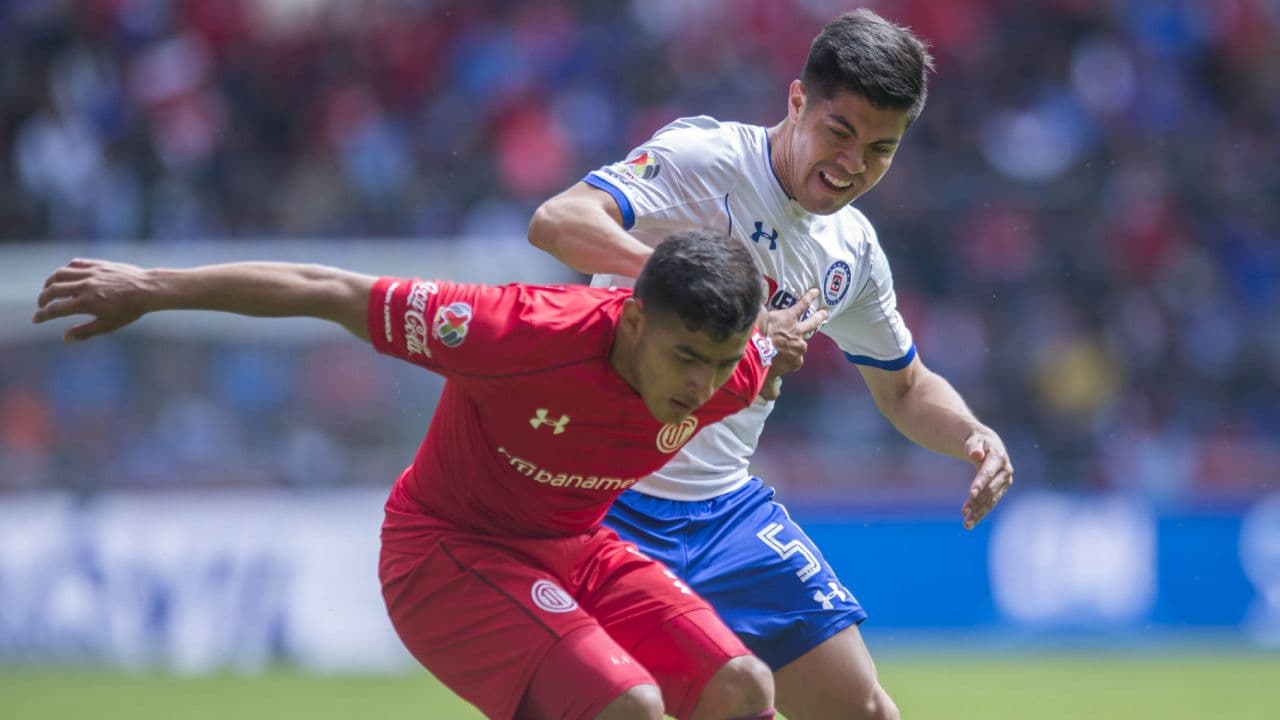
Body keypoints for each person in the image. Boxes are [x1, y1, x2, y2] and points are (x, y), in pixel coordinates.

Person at [31, 229, 826, 720]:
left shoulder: (738, 371)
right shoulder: (510, 331)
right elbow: (329, 291)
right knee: (627, 705)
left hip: (574, 548)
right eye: (686, 357)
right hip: (445, 555)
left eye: (719, 362)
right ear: (634, 314)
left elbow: (761, 351)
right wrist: (152, 288)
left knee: (743, 689)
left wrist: (767, 347)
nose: (700, 383)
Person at [528, 9, 1015, 720]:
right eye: (839, 133)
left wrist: (975, 435)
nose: (853, 165)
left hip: (725, 512)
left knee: (868, 711)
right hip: (609, 500)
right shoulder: (706, 160)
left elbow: (905, 387)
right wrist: (702, 292)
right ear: (796, 102)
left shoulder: (851, 251)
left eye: (880, 149)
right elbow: (558, 221)